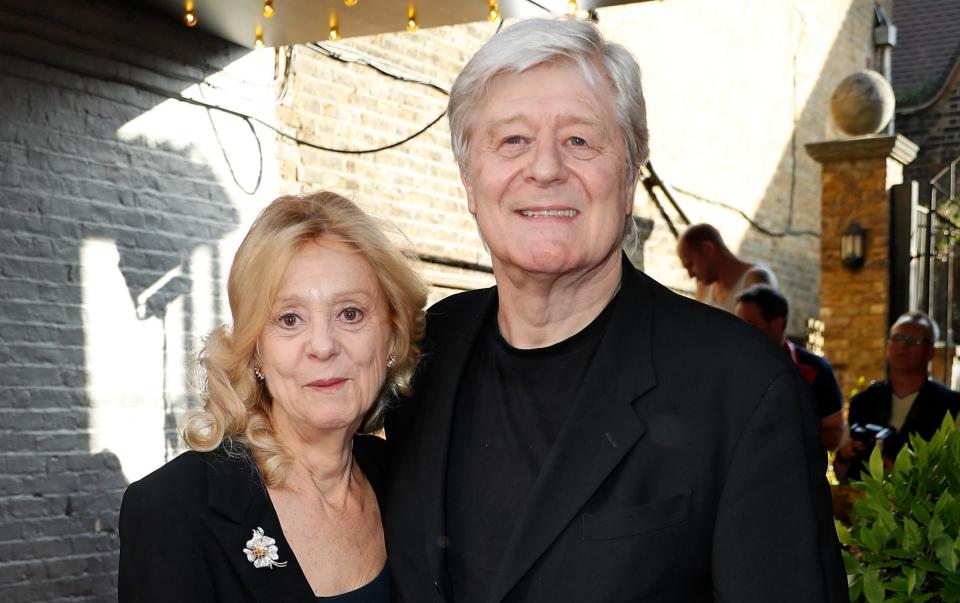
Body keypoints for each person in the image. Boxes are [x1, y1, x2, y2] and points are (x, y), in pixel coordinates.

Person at [383, 17, 847, 603]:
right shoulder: (423, 353)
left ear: (629, 177)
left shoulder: (741, 386)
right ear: (470, 181)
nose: (546, 168)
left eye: (580, 140)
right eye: (512, 141)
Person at [118, 191, 427, 602]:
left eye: (350, 313)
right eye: (289, 319)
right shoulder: (171, 510)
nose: (322, 345)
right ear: (255, 349)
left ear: (392, 336)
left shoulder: (411, 483)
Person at [836, 311, 960, 481]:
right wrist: (845, 455)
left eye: (913, 340)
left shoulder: (951, 405)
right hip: (864, 503)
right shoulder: (863, 401)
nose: (903, 346)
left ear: (931, 351)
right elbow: (841, 475)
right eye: (898, 338)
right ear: (888, 345)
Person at [735, 285, 845, 451]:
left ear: (777, 324)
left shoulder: (814, 370)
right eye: (737, 322)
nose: (739, 331)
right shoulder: (732, 367)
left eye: (749, 323)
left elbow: (834, 437)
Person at [677, 222, 777, 313]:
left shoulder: (755, 279)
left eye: (690, 264)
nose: (690, 275)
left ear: (707, 248)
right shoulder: (704, 286)